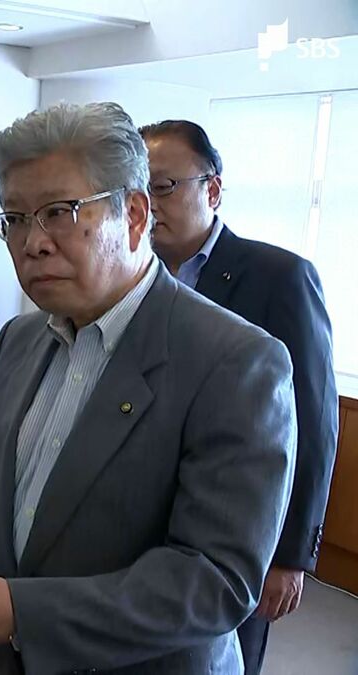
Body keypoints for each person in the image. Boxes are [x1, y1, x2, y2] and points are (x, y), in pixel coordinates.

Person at [0, 102, 297, 674]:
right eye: (15, 219)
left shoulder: (236, 362)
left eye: (58, 212)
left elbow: (214, 580)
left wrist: (23, 613)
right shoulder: (22, 340)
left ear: (135, 215)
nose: (33, 243)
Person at [141, 119, 339, 674]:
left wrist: (290, 555)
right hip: (143, 531)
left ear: (213, 189)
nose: (148, 204)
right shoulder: (134, 278)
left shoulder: (279, 277)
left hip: (236, 538)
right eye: (137, 188)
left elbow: (313, 424)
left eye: (163, 187)